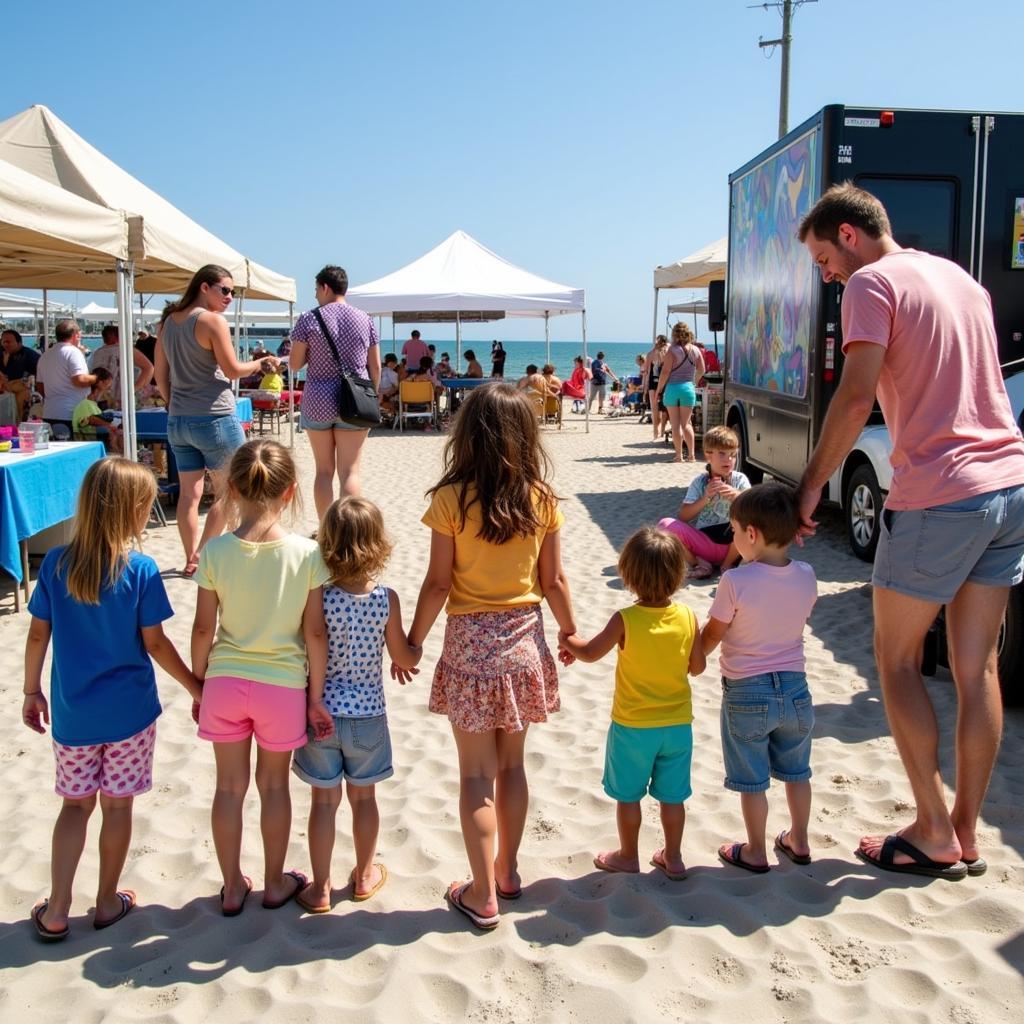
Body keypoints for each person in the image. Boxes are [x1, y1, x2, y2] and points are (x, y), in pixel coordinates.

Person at [794, 183, 1024, 880]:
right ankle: (964, 831)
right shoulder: (960, 279)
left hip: (938, 494)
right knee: (976, 668)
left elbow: (857, 392)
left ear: (849, 234)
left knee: (894, 661)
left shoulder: (871, 284)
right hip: (1009, 484)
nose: (825, 274)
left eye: (822, 257)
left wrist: (810, 488)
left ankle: (929, 828)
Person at [407, 384, 577, 929]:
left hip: (470, 646)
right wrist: (571, 632)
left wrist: (412, 640)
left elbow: (437, 585)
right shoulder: (542, 498)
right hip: (525, 641)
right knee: (512, 767)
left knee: (475, 776)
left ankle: (481, 894)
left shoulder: (452, 500)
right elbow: (553, 580)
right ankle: (507, 872)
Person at [22, 458, 201, 941]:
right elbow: (157, 644)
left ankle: (57, 908)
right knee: (117, 809)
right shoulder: (139, 570)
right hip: (130, 716)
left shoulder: (58, 563)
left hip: (73, 714)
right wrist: (194, 686)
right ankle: (105, 901)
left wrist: (31, 689)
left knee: (74, 807)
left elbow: (39, 635)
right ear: (132, 511)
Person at [192, 439, 332, 915]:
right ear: (291, 492)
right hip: (282, 686)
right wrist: (315, 696)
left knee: (228, 788)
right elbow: (314, 632)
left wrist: (198, 682)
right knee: (274, 786)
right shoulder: (306, 555)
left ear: (231, 488)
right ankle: (274, 882)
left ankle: (232, 886)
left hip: (226, 681)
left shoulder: (214, 553)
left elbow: (202, 628)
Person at [293, 497, 421, 912]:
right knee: (364, 800)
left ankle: (321, 887)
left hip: (321, 712)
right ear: (378, 544)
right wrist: (412, 653)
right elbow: (403, 656)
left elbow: (309, 642)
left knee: (323, 803)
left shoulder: (319, 596)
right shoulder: (387, 600)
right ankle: (364, 875)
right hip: (368, 716)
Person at [557, 527, 705, 880]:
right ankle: (674, 856)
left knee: (629, 796)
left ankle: (627, 855)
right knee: (672, 798)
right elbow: (697, 668)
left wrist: (570, 641)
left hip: (633, 727)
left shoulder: (625, 619)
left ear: (628, 574)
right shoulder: (687, 617)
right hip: (677, 726)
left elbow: (591, 653)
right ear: (678, 574)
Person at [699, 483, 818, 874]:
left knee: (752, 779)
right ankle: (799, 839)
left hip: (747, 691)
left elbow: (715, 633)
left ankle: (755, 849)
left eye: (733, 531)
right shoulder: (806, 574)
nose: (733, 539)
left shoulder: (735, 581)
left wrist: (695, 655)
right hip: (796, 689)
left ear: (752, 534)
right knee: (797, 771)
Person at [155, 264, 278, 579]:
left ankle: (189, 557)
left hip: (179, 419)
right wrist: (262, 363)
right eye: (225, 289)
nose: (230, 297)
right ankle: (203, 554)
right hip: (215, 417)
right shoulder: (211, 321)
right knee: (231, 491)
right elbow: (233, 369)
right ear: (204, 287)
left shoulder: (169, 322)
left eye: (233, 292)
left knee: (189, 495)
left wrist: (172, 403)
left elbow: (160, 374)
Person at [289, 265, 381, 521]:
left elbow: (295, 364)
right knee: (350, 472)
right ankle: (348, 530)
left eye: (317, 289)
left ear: (325, 287)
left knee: (324, 472)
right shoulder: (366, 319)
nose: (316, 295)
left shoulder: (308, 318)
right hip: (354, 399)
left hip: (318, 397)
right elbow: (374, 367)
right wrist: (371, 395)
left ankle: (325, 531)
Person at [659, 426, 750, 579]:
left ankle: (727, 565)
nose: (728, 459)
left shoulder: (739, 479)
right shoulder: (700, 481)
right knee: (664, 525)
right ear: (708, 455)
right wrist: (706, 497)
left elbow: (755, 509)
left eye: (733, 455)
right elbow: (683, 517)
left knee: (752, 522)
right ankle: (699, 564)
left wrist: (738, 496)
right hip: (705, 543)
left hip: (734, 546)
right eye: (722, 453)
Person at [35, 319, 97, 438]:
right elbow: (79, 380)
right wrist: (96, 378)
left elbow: (40, 386)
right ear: (75, 335)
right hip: (71, 414)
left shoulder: (45, 355)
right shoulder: (73, 352)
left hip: (50, 412)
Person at [655, 323, 705, 463]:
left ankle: (678, 456)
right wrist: (693, 381)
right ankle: (692, 455)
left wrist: (659, 390)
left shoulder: (672, 351)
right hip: (688, 388)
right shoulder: (696, 350)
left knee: (675, 425)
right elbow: (702, 369)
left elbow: (665, 372)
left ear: (675, 334)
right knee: (687, 423)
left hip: (672, 388)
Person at [89, 325, 154, 409]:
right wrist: (135, 389)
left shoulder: (96, 353)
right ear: (118, 336)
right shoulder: (126, 350)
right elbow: (149, 368)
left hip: (100, 399)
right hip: (123, 399)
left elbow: (91, 374)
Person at [72, 367, 122, 452]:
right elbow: (88, 420)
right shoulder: (85, 404)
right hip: (89, 446)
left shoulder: (93, 405)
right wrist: (109, 425)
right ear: (100, 383)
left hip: (97, 443)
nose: (109, 388)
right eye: (108, 384)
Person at [1, 328, 41, 420]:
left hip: (23, 394)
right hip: (4, 394)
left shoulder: (30, 355)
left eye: (8, 342)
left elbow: (42, 373)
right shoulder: (2, 353)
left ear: (19, 343)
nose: (5, 344)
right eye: (3, 341)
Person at [642, 335, 669, 440]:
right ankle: (658, 430)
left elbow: (647, 372)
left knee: (659, 408)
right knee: (659, 408)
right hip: (659, 382)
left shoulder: (659, 354)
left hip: (658, 382)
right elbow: (647, 371)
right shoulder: (661, 354)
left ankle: (658, 431)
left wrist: (645, 388)